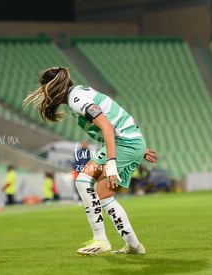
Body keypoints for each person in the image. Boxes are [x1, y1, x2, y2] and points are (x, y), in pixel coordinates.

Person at [23, 67, 157, 255]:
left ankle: (101, 240)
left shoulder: (78, 100)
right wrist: (138, 148)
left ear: (53, 88)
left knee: (85, 182)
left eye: (45, 89)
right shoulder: (79, 94)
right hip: (128, 142)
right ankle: (133, 245)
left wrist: (111, 163)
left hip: (123, 143)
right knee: (100, 192)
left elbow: (107, 127)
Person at [71, 140, 91, 204]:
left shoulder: (88, 152)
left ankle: (85, 199)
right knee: (78, 186)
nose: (85, 145)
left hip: (86, 172)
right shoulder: (78, 152)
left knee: (86, 186)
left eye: (86, 143)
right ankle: (79, 199)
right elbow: (75, 162)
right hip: (78, 171)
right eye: (84, 143)